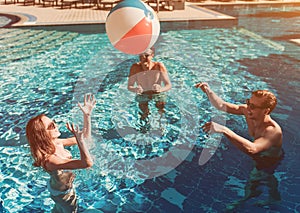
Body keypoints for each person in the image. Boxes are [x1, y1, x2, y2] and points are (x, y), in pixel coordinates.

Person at [195, 82, 283, 208]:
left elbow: (253, 149)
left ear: (266, 111)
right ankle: (275, 197)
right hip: (262, 153)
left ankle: (240, 204)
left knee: (255, 179)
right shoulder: (248, 111)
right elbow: (222, 105)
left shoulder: (272, 131)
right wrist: (208, 90)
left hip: (267, 160)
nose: (248, 107)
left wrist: (224, 130)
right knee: (268, 178)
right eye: (248, 102)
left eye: (252, 106)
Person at [26, 94, 96, 213]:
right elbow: (87, 163)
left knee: (59, 210)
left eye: (54, 122)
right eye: (52, 126)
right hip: (63, 193)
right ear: (42, 134)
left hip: (59, 186)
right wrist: (79, 140)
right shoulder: (50, 160)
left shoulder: (57, 142)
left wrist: (87, 116)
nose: (56, 126)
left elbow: (86, 139)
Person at [127, 48, 172, 132]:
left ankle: (161, 127)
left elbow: (168, 85)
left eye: (146, 55)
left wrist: (160, 89)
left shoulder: (158, 66)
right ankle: (144, 129)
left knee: (160, 108)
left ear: (152, 55)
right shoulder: (135, 67)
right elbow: (129, 86)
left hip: (157, 93)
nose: (143, 57)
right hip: (143, 94)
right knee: (144, 112)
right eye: (141, 55)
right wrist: (135, 89)